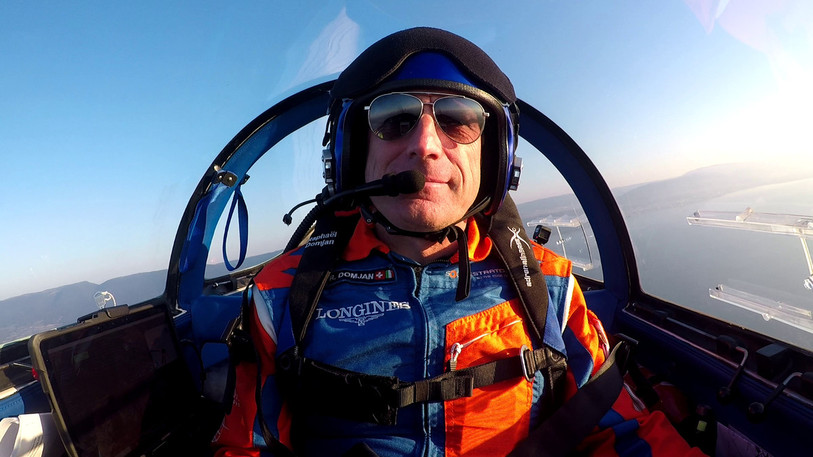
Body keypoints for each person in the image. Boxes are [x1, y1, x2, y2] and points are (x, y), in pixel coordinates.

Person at [212, 27, 707, 457]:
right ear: (351, 153)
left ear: (495, 157)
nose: (426, 143)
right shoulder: (281, 294)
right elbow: (245, 446)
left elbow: (624, 432)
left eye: (458, 119)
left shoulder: (547, 285)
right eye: (394, 117)